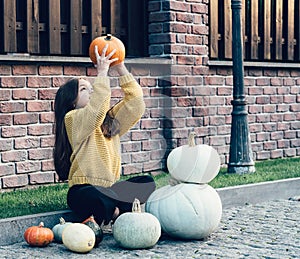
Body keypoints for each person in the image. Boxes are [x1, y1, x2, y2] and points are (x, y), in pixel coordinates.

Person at [53, 44, 156, 225]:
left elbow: (136, 103)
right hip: (83, 189)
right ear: (71, 102)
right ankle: (118, 213)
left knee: (146, 182)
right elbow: (95, 111)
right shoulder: (72, 119)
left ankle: (113, 210)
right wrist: (102, 73)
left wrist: (119, 67)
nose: (91, 90)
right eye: (84, 89)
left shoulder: (109, 120)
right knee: (93, 197)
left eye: (91, 88)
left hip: (110, 189)